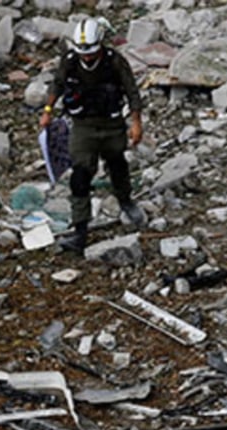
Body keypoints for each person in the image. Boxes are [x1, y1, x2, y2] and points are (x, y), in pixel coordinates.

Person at [39, 15, 146, 256]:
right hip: (83, 126)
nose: (86, 57)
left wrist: (136, 123)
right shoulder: (70, 61)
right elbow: (57, 84)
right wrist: (47, 110)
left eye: (91, 52)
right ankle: (80, 230)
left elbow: (132, 92)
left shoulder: (115, 62)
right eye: (83, 53)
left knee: (117, 163)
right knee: (80, 176)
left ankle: (125, 200)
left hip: (111, 124)